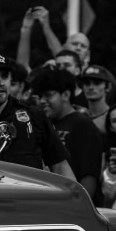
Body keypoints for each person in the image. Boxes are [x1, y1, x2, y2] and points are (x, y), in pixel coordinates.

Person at [0, 51, 75, 179]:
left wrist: (76, 198)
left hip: (30, 197)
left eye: (5, 76)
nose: (0, 83)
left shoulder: (35, 115)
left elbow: (60, 167)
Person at [33, 68, 103, 198]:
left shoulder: (83, 125)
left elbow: (90, 175)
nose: (42, 101)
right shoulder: (42, 125)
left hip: (74, 205)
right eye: (40, 96)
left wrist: (81, 207)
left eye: (48, 95)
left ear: (65, 95)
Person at [79, 64, 115, 134]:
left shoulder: (114, 117)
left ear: (108, 87)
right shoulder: (78, 115)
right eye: (87, 83)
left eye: (97, 83)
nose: (91, 87)